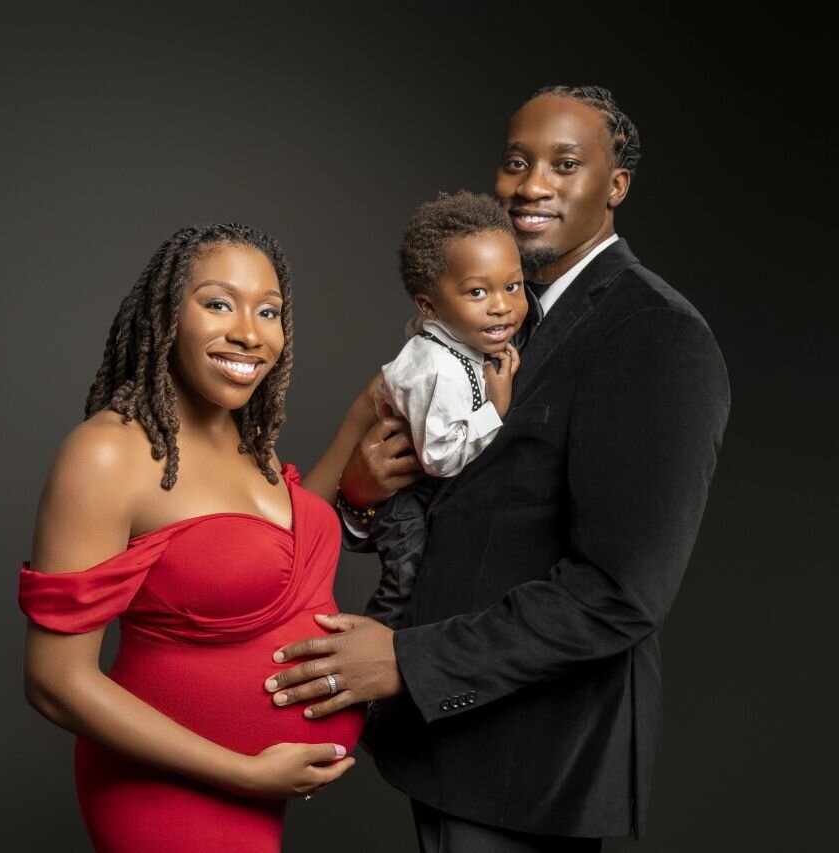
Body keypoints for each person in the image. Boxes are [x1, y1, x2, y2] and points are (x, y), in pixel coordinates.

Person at [263, 86, 731, 851]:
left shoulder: (656, 336)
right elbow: (471, 511)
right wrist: (362, 498)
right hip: (447, 751)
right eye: (517, 162)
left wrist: (407, 661)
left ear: (616, 186)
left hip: (532, 769)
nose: (531, 184)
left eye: (565, 164)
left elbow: (618, 591)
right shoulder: (489, 314)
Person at [19, 223, 373, 852]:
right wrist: (246, 773)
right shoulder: (107, 454)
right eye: (218, 303)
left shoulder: (246, 444)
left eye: (268, 311)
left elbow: (270, 558)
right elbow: (54, 681)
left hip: (263, 790)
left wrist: (354, 437)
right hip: (171, 790)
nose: (249, 331)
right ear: (165, 318)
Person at [362, 191, 528, 628]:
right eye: (477, 291)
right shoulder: (436, 367)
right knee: (407, 581)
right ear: (429, 306)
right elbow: (437, 458)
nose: (502, 305)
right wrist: (497, 406)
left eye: (513, 286)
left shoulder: (457, 338)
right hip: (404, 499)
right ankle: (368, 664)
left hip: (428, 489)